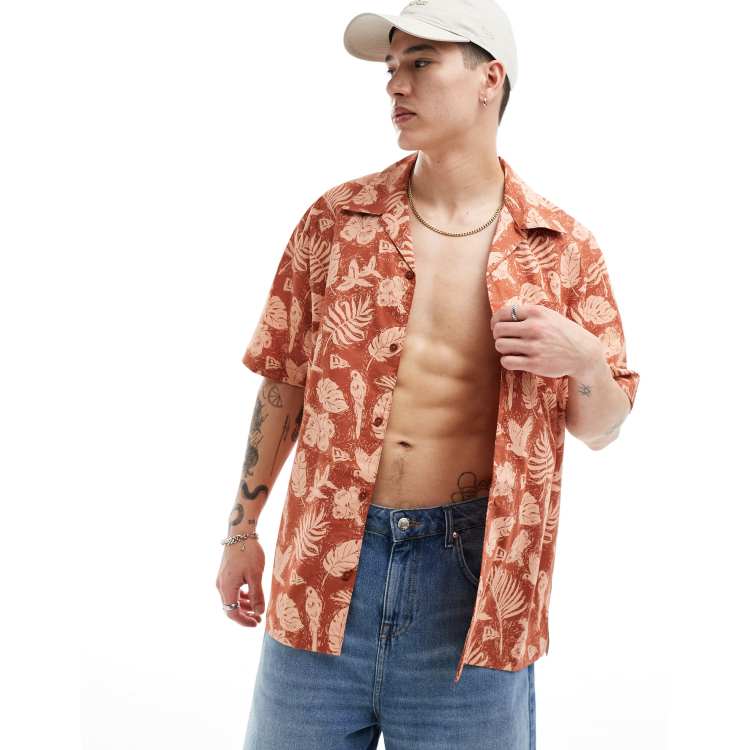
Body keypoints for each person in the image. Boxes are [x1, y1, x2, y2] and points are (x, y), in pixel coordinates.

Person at [217, 1, 640, 748]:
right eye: (391, 68)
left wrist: (582, 360)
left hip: (473, 590)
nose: (395, 85)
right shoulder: (335, 221)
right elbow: (283, 383)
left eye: (420, 63)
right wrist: (240, 532)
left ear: (489, 79)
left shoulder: (562, 248)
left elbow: (603, 427)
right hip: (324, 567)